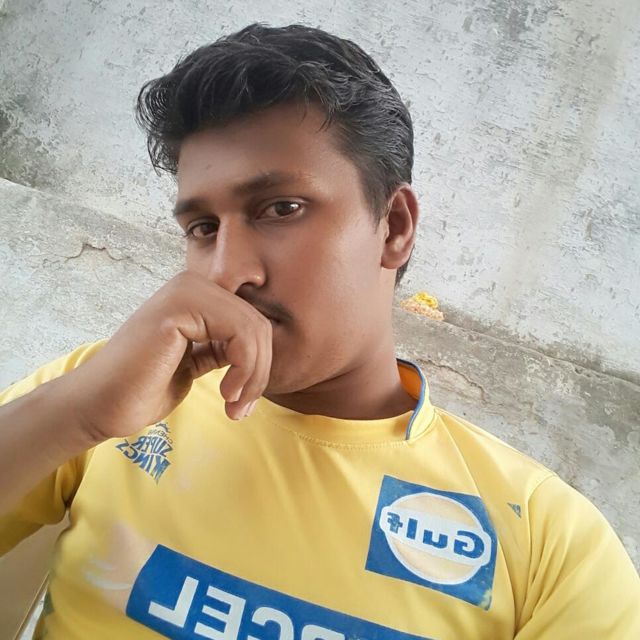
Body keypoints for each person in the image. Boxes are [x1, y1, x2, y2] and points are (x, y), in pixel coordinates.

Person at [0, 22, 638, 640]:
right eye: (203, 228)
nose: (226, 271)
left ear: (394, 227)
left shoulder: (549, 542)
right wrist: (74, 417)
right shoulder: (103, 393)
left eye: (282, 208)